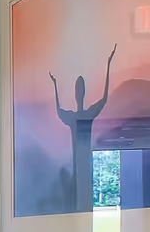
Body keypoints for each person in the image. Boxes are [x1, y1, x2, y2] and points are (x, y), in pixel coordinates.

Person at [51, 45, 118, 213]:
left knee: (85, 200)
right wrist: (55, 85)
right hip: (78, 164)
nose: (79, 92)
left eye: (80, 89)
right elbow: (58, 110)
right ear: (76, 93)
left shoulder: (87, 114)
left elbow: (104, 98)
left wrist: (109, 65)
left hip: (86, 163)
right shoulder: (76, 116)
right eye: (78, 89)